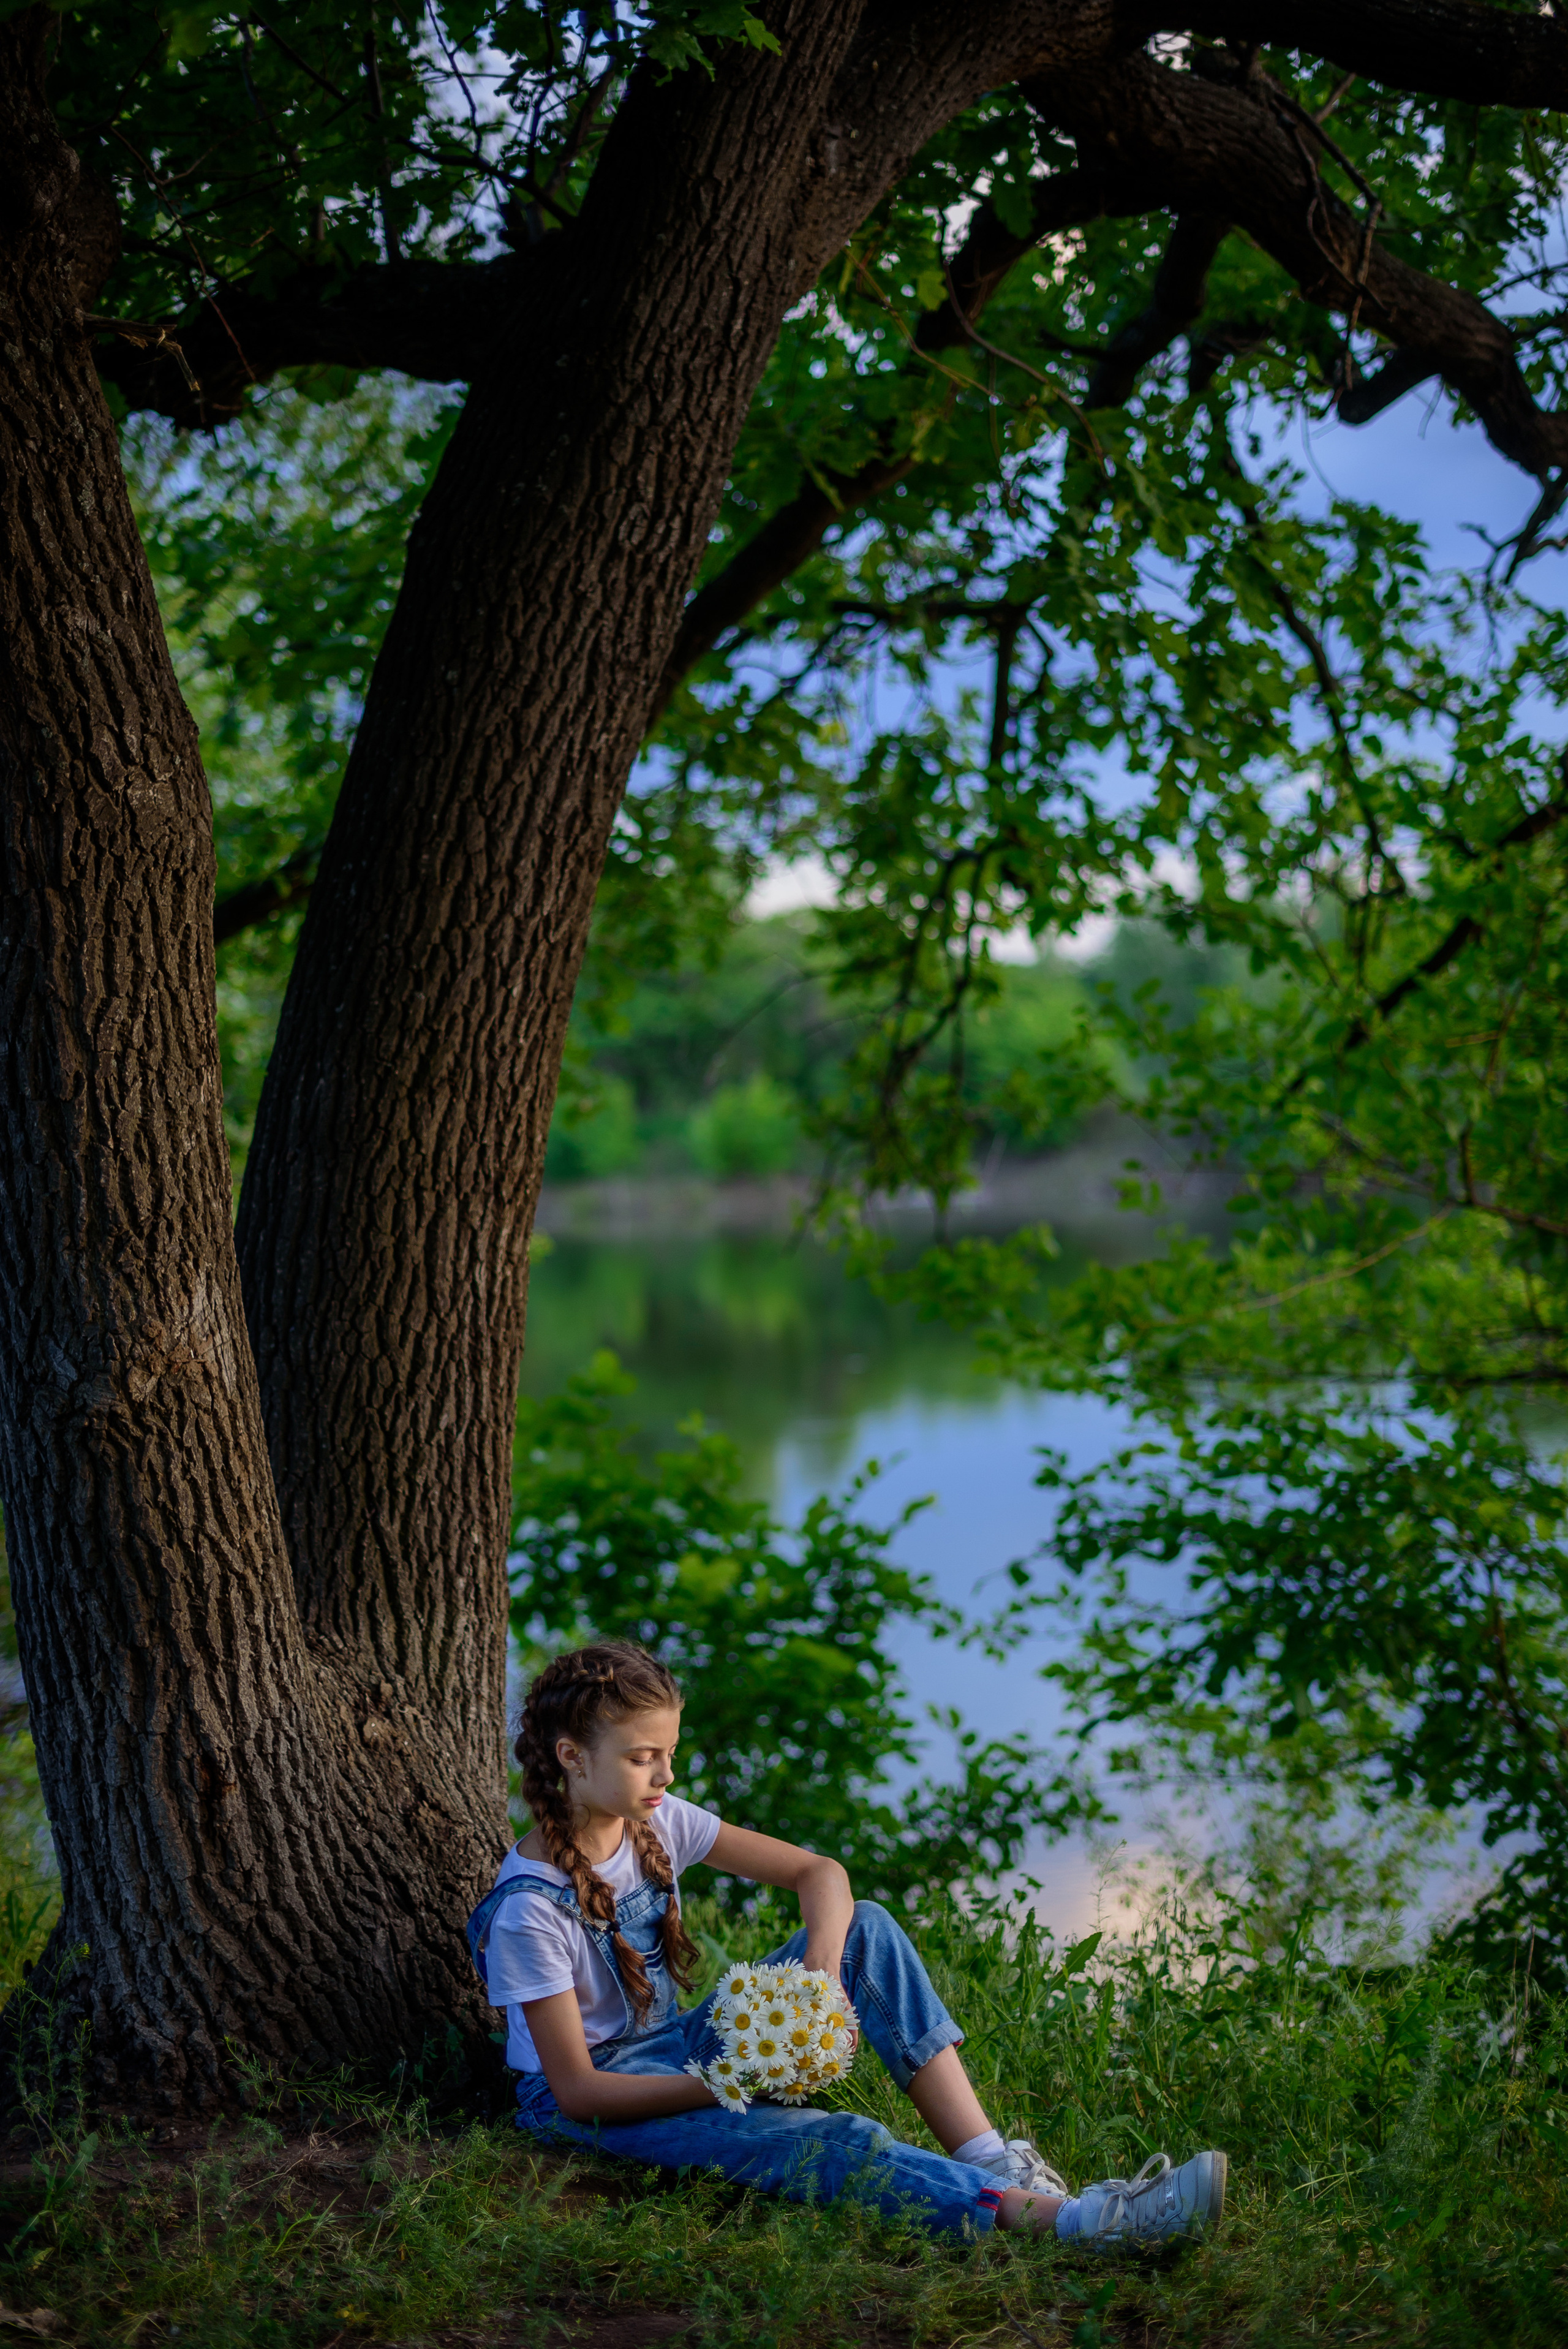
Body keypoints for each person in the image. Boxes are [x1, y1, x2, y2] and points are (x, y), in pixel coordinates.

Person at [468, 1641, 1227, 2245]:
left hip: (668, 2047)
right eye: (642, 1757)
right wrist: (738, 2079)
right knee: (830, 2136)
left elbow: (819, 1873)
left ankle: (992, 2159)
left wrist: (819, 1981)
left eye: (669, 1751)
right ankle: (1080, 2226)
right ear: (572, 1756)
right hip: (591, 2103)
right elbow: (578, 2091)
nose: (665, 1773)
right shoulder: (530, 1909)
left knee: (865, 1923)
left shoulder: (658, 1819)